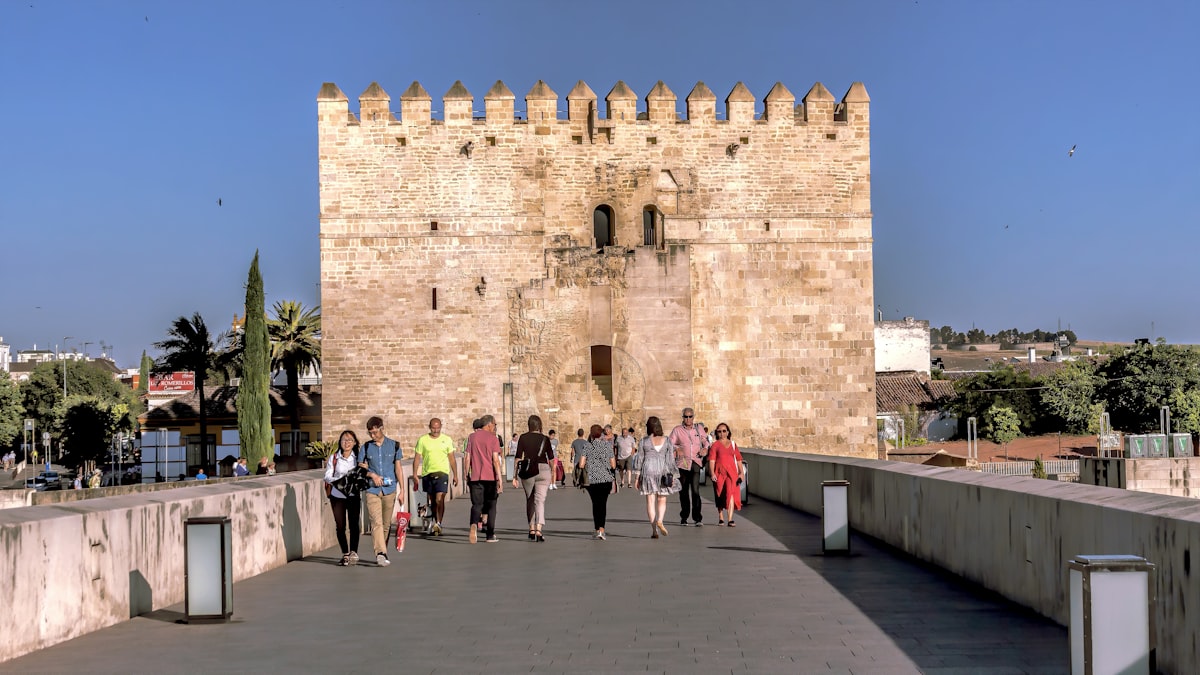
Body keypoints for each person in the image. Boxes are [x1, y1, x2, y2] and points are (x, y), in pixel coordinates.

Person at [361, 416, 405, 566]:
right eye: (370, 433)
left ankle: (383, 552)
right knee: (376, 523)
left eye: (375, 432)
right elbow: (360, 467)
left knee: (386, 524)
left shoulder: (394, 446)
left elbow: (398, 469)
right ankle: (380, 553)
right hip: (371, 490)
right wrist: (371, 474)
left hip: (390, 490)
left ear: (381, 429)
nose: (373, 436)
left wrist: (402, 490)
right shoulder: (366, 447)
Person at [512, 414, 555, 542]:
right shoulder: (545, 439)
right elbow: (551, 458)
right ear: (539, 425)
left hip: (528, 470)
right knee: (540, 500)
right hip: (543, 470)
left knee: (529, 499)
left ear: (529, 425)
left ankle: (531, 528)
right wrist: (552, 472)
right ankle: (539, 529)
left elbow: (518, 458)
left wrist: (514, 476)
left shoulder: (523, 438)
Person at [324, 429, 364, 566]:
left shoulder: (358, 458)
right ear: (340, 442)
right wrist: (340, 480)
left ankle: (353, 551)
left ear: (354, 443)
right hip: (337, 495)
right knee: (340, 526)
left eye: (349, 440)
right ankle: (345, 553)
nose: (346, 443)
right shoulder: (334, 458)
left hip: (353, 495)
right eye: (344, 440)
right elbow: (327, 475)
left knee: (354, 524)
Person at [636, 416, 680, 538]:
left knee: (650, 501)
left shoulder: (644, 441)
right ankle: (660, 520)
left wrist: (636, 477)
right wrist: (674, 476)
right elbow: (670, 459)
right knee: (662, 499)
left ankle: (654, 530)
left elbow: (639, 459)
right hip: (663, 471)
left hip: (648, 470)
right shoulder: (667, 440)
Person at [412, 417, 457, 536]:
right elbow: (417, 458)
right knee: (432, 500)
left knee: (439, 498)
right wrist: (415, 474)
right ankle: (434, 521)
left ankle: (438, 523)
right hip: (427, 474)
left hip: (442, 473)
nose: (436, 430)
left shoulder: (447, 440)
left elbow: (452, 459)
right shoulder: (423, 440)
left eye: (438, 428)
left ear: (441, 427)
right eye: (433, 428)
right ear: (429, 427)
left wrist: (456, 475)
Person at [465, 414, 504, 543]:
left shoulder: (472, 437)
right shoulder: (493, 439)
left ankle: (473, 524)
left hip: (476, 476)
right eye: (494, 425)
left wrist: (467, 474)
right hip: (490, 477)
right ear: (489, 425)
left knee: (477, 504)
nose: (495, 427)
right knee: (492, 505)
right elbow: (495, 461)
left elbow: (467, 457)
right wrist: (500, 479)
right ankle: (490, 535)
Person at [670, 407, 710, 526]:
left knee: (695, 491)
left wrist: (705, 449)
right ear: (683, 417)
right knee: (683, 492)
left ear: (693, 417)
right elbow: (670, 443)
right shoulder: (677, 430)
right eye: (686, 417)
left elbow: (706, 441)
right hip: (682, 464)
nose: (688, 419)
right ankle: (684, 517)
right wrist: (677, 448)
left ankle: (697, 518)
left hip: (696, 463)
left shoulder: (699, 428)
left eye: (690, 416)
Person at [581, 424, 616, 540]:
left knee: (595, 505)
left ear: (591, 434)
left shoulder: (587, 446)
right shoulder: (607, 446)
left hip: (592, 480)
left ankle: (597, 529)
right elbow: (613, 464)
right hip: (606, 479)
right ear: (601, 433)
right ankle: (602, 530)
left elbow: (581, 464)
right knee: (603, 504)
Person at [707, 423, 745, 526]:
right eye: (719, 431)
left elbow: (738, 459)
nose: (722, 433)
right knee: (720, 494)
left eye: (724, 431)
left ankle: (730, 519)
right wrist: (712, 473)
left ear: (728, 432)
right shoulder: (715, 445)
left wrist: (741, 472)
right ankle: (721, 516)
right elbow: (712, 460)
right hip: (719, 473)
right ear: (716, 433)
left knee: (730, 493)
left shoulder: (733, 444)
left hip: (732, 474)